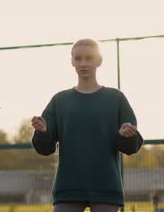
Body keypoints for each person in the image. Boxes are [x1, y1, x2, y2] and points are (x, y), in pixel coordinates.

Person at [31, 39, 144, 212]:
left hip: (105, 186)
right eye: (78, 58)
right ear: (72, 62)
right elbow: (45, 148)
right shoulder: (59, 100)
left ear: (99, 60)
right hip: (68, 187)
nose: (83, 63)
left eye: (89, 58)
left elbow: (132, 146)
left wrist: (125, 135)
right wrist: (43, 132)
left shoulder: (116, 98)